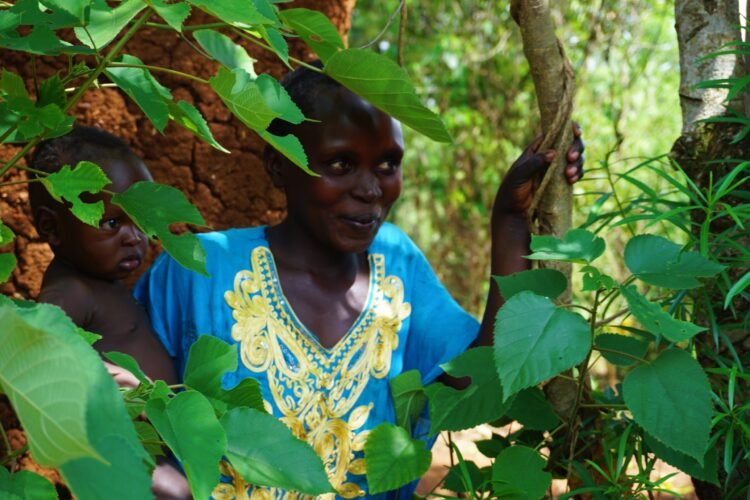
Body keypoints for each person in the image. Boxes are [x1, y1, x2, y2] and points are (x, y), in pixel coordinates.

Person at [134, 65, 583, 499]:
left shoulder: (397, 263)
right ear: (278, 164)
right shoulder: (199, 270)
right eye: (341, 164)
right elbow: (130, 407)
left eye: (388, 165)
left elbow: (479, 377)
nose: (370, 189)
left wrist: (508, 220)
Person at [28, 126, 191, 500]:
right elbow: (43, 350)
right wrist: (106, 379)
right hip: (117, 451)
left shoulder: (107, 284)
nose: (135, 237)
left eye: (140, 221)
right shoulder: (71, 290)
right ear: (52, 226)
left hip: (148, 446)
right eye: (113, 223)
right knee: (176, 492)